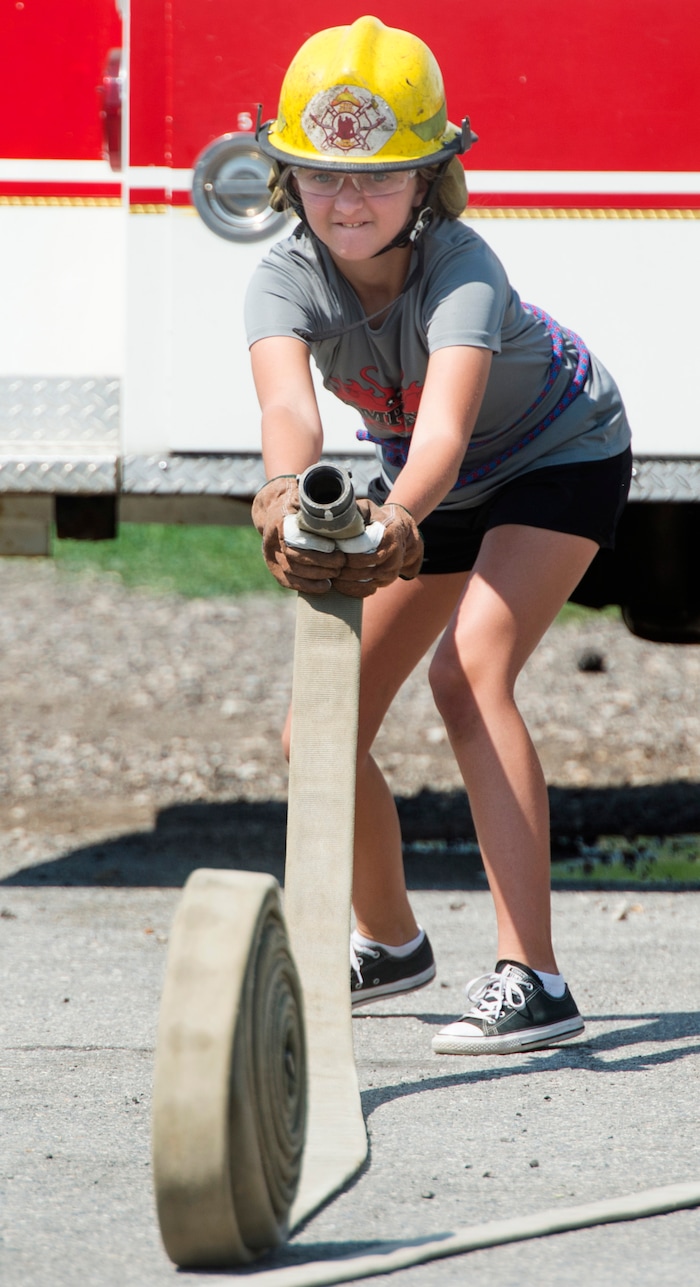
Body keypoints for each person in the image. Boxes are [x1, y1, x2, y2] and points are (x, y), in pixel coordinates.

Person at [245, 16, 632, 1056]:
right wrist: (283, 498)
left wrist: (398, 521)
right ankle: (392, 941)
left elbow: (448, 435)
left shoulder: (465, 267)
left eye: (379, 177)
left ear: (431, 182)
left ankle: (535, 977)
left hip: (559, 449)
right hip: (434, 473)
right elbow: (291, 416)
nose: (348, 200)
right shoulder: (285, 277)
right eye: (322, 178)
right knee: (313, 730)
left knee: (469, 672)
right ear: (287, 181)